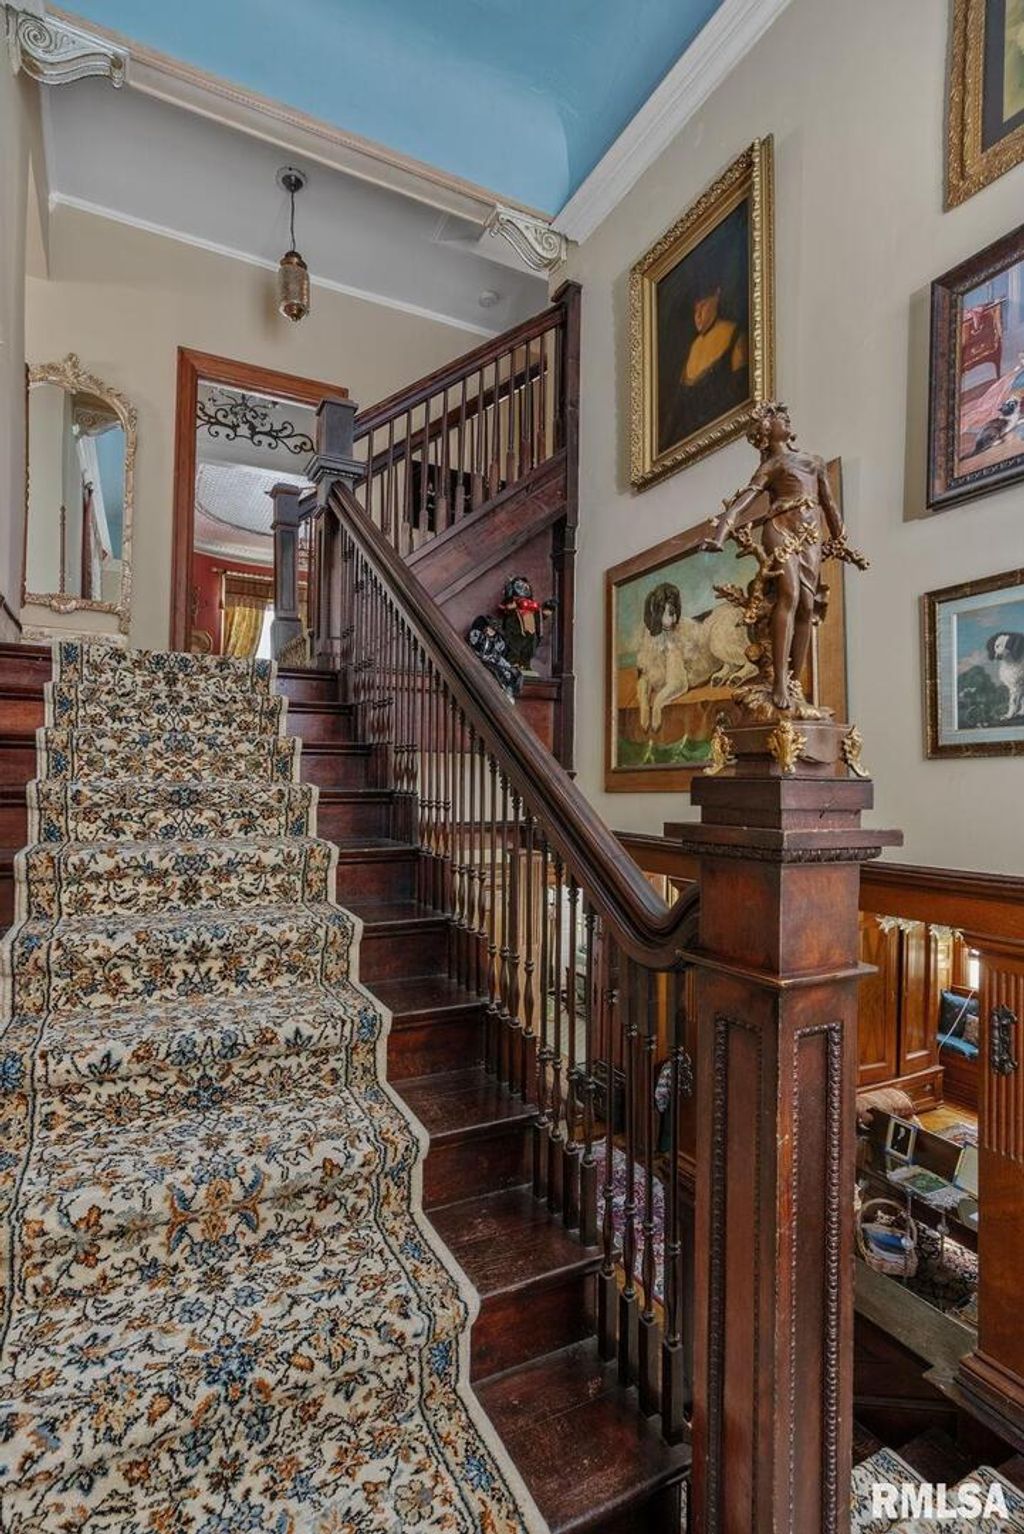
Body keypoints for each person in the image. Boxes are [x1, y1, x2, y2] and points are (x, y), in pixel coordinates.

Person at [702, 402, 854, 712]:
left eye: (785, 417)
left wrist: (840, 537)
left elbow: (828, 502)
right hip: (779, 527)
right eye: (779, 419)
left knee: (808, 605)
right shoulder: (770, 467)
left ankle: (794, 682)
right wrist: (720, 535)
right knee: (789, 594)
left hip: (810, 533)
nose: (786, 421)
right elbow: (743, 503)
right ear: (766, 431)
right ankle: (779, 683)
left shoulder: (814, 462)